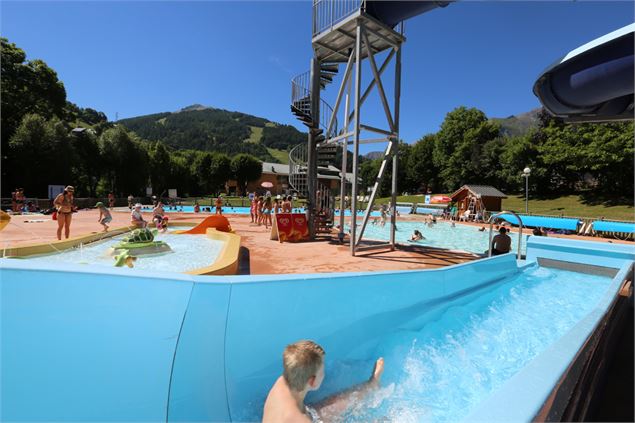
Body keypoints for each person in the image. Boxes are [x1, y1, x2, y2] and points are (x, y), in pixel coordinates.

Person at [263, 340, 384, 423]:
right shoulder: (300, 420)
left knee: (327, 407)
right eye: (322, 372)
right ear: (312, 381)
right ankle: (371, 386)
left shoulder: (281, 382)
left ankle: (371, 384)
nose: (324, 375)